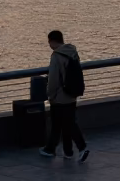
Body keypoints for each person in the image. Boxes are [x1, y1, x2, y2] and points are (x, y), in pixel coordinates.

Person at [39, 30, 88, 163]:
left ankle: (81, 147)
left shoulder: (56, 56)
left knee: (64, 123)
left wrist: (50, 94)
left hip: (59, 97)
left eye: (49, 42)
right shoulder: (72, 52)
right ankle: (67, 151)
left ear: (53, 41)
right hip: (71, 94)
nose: (49, 45)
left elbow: (54, 79)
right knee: (66, 123)